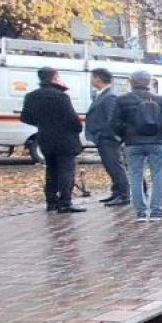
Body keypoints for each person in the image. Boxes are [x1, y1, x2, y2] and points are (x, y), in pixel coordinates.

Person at [19, 66, 85, 213]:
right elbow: (72, 118)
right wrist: (77, 128)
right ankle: (65, 202)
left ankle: (51, 202)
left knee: (51, 170)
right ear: (54, 77)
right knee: (66, 171)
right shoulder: (61, 96)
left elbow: (25, 117)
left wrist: (42, 123)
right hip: (65, 139)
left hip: (45, 137)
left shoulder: (31, 96)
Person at [111, 70, 162, 221]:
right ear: (150, 82)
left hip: (132, 143)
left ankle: (140, 212)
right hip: (156, 142)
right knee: (158, 176)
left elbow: (114, 122)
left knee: (135, 176)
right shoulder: (161, 100)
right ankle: (157, 211)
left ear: (132, 82)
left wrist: (125, 136)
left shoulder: (122, 100)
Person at [84, 68, 128, 206]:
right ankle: (116, 192)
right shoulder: (103, 94)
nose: (91, 80)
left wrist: (106, 135)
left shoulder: (110, 96)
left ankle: (123, 194)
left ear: (98, 79)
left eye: (92, 77)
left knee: (114, 166)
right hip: (103, 138)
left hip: (108, 138)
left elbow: (112, 119)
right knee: (110, 166)